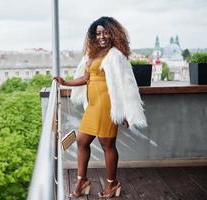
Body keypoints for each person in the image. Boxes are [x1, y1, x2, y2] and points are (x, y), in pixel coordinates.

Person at [54, 16, 147, 198]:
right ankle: (82, 180)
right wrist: (65, 82)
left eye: (105, 33)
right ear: (93, 36)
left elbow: (126, 85)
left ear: (112, 34)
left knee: (107, 144)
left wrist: (127, 113)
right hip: (93, 105)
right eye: (98, 33)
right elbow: (85, 79)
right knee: (82, 141)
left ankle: (112, 183)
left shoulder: (116, 55)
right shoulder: (91, 55)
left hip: (107, 105)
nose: (102, 37)